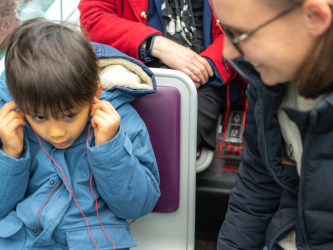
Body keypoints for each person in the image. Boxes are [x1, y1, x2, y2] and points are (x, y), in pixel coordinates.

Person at [0, 18, 160, 250]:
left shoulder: (121, 122)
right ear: (20, 103)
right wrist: (10, 155)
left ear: (94, 94)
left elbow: (138, 206)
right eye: (40, 117)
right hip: (19, 240)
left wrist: (110, 150)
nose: (56, 131)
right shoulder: (9, 125)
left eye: (68, 115)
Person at [211, 0, 333, 249]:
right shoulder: (268, 82)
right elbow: (256, 187)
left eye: (241, 34)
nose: (228, 52)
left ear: (314, 18)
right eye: (225, 30)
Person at [78, 0, 247, 150]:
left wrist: (204, 67)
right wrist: (154, 44)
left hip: (198, 84)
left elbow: (241, 28)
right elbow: (93, 18)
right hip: (130, 74)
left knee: (172, 147)